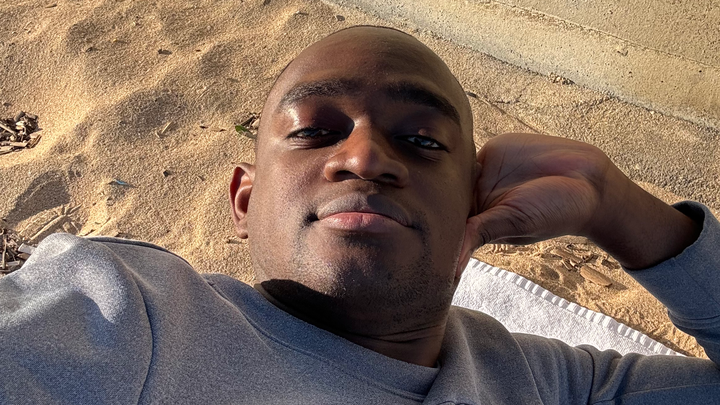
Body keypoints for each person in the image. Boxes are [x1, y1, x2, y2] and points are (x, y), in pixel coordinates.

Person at [2, 25, 720, 404]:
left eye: (423, 140)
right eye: (315, 130)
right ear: (244, 200)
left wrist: (621, 209)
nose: (367, 156)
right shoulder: (129, 316)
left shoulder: (553, 385)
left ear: (473, 202)